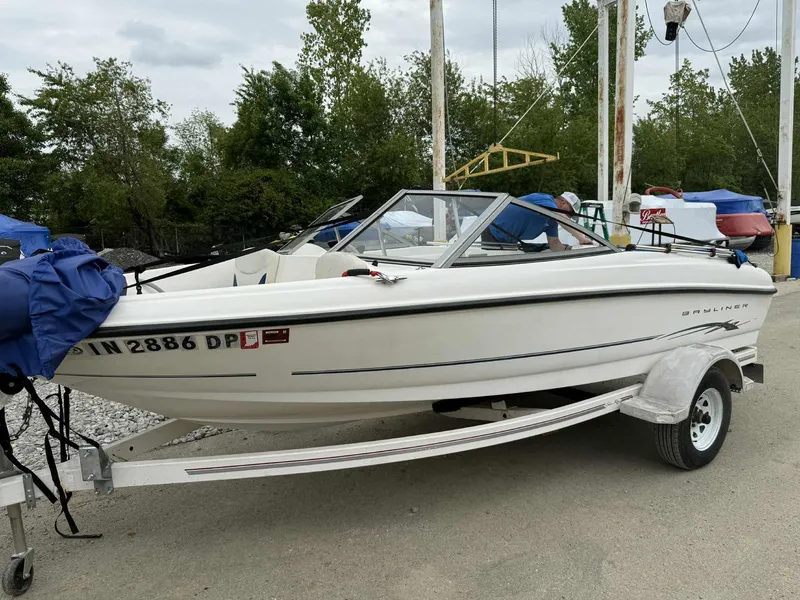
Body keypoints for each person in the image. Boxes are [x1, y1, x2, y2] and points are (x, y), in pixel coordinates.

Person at [482, 191, 593, 251]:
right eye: (569, 213)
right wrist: (581, 238)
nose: (569, 216)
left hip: (508, 243)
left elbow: (554, 244)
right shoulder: (544, 199)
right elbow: (562, 218)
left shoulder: (551, 221)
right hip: (492, 234)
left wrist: (571, 250)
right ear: (563, 203)